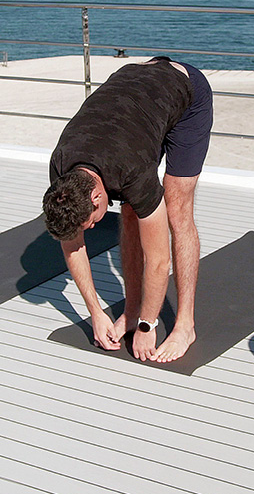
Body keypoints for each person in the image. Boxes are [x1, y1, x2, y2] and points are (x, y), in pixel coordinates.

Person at [43, 56, 213, 363]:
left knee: (176, 209)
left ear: (97, 199)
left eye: (91, 222)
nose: (92, 229)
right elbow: (72, 245)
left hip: (184, 91)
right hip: (133, 101)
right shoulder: (62, 168)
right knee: (133, 211)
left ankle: (186, 325)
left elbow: (160, 261)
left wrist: (149, 326)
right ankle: (132, 309)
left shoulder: (131, 169)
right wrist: (95, 312)